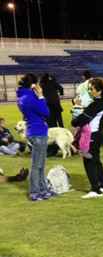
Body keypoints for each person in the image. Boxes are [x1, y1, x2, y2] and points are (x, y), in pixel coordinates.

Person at [72, 77, 103, 199]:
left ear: (99, 91)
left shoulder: (97, 104)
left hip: (92, 136)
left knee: (89, 161)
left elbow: (80, 120)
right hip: (98, 135)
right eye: (89, 89)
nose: (90, 91)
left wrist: (77, 108)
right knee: (96, 160)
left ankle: (96, 189)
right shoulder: (102, 102)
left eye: (92, 89)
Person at [17, 73, 53, 202]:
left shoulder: (22, 96)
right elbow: (46, 112)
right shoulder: (31, 97)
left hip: (33, 131)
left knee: (40, 164)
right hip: (38, 132)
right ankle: (35, 191)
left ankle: (43, 190)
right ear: (33, 84)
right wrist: (41, 96)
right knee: (37, 165)